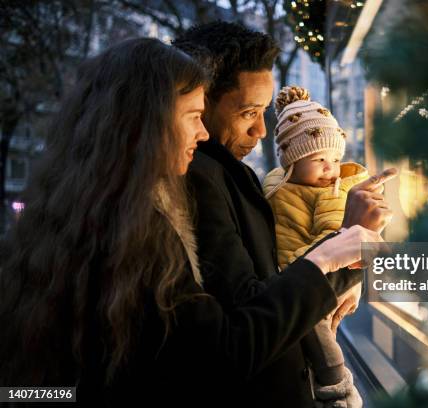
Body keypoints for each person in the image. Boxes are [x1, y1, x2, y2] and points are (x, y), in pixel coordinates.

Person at [0, 38, 380, 406]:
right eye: (194, 117)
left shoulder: (98, 209)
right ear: (147, 124)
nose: (202, 134)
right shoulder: (138, 227)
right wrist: (328, 258)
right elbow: (219, 353)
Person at [173, 22, 395, 407]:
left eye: (263, 112)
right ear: (201, 102)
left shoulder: (230, 173)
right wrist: (347, 238)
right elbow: (251, 317)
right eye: (248, 113)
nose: (260, 129)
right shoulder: (201, 178)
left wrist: (350, 257)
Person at [262, 85, 374, 407]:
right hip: (290, 278)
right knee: (308, 340)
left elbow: (336, 236)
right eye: (319, 158)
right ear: (291, 161)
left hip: (318, 277)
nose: (330, 168)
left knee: (321, 338)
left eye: (335, 158)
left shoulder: (331, 192)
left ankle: (339, 388)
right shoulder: (275, 186)